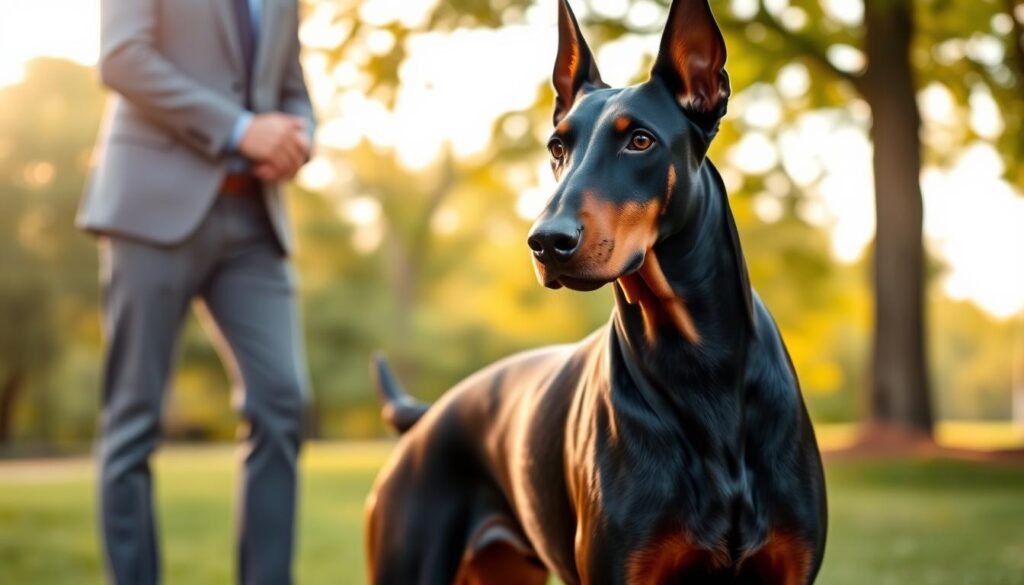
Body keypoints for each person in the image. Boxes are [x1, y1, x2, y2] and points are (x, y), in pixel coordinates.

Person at [78, 0, 316, 583]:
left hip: (255, 221)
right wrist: (240, 128)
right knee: (133, 418)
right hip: (149, 209)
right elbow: (121, 58)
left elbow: (291, 87)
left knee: (282, 401)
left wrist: (298, 132)